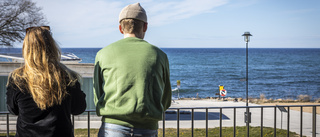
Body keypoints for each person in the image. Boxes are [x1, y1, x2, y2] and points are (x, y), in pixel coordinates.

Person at [93, 3, 172, 137]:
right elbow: (166, 98)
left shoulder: (103, 54)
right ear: (145, 26)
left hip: (112, 127)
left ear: (120, 28)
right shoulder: (160, 55)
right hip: (148, 128)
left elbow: (98, 94)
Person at [6, 26, 87, 137]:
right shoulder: (68, 76)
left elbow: (12, 109)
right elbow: (78, 109)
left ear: (26, 49)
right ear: (52, 47)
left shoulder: (17, 78)